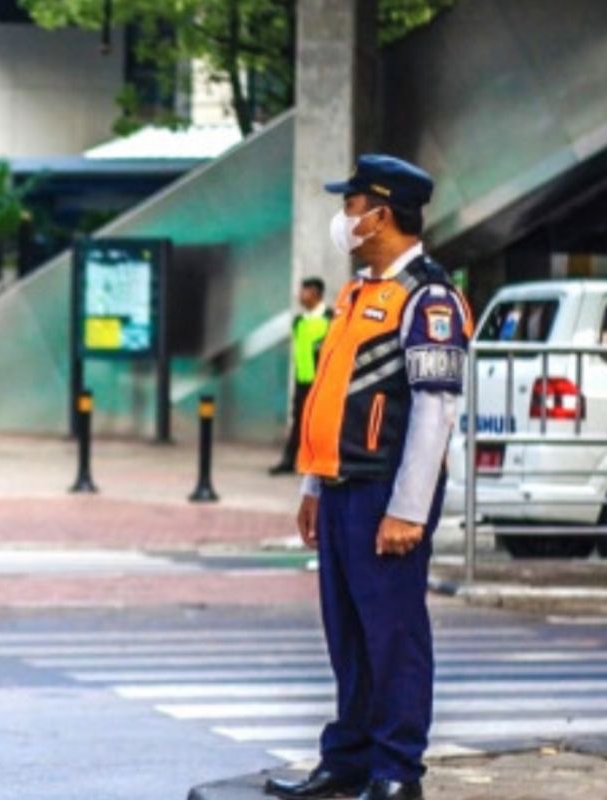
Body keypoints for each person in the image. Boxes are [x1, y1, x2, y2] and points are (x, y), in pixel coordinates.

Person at [265, 155, 473, 800]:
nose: (345, 217)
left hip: (386, 490)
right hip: (339, 486)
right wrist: (310, 485)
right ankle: (349, 760)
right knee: (348, 634)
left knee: (393, 634)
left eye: (351, 206)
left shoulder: (428, 299)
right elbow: (331, 394)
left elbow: (435, 412)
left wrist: (409, 509)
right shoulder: (360, 292)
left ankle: (395, 770)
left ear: (380, 215)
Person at [270, 277, 332, 475]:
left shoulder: (331, 318)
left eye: (305, 291)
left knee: (321, 423)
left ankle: (319, 462)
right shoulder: (299, 321)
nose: (300, 295)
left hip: (323, 382)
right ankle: (291, 460)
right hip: (303, 380)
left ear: (316, 294)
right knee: (299, 419)